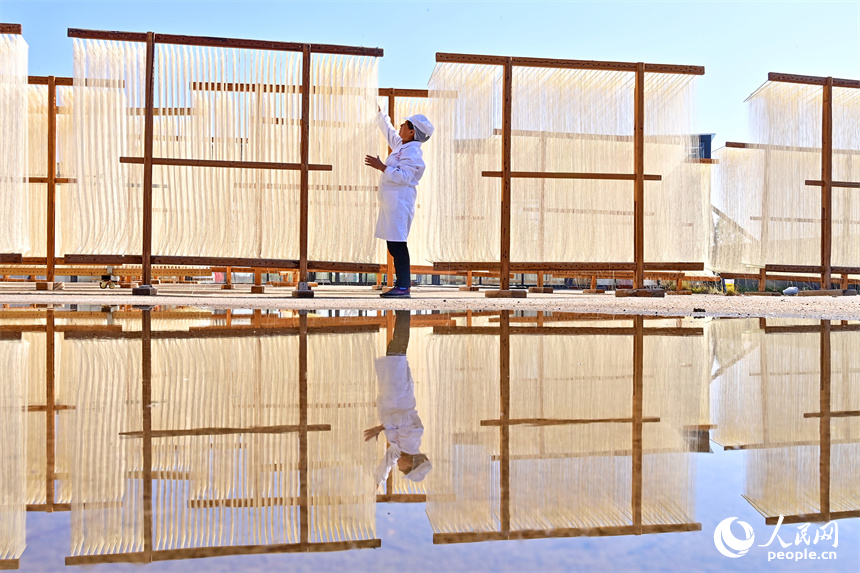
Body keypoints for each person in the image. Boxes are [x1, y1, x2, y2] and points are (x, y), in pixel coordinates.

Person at [364, 107, 434, 299]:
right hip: (391, 205)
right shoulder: (403, 146)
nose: (401, 126)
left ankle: (403, 285)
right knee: (393, 245)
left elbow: (404, 176)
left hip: (399, 204)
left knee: (398, 245)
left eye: (405, 124)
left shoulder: (413, 154)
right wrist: (379, 112)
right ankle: (401, 284)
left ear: (412, 132)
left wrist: (382, 167)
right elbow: (389, 132)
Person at [364, 311, 432, 487]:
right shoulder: (412, 440)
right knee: (397, 350)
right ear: (411, 463)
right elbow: (403, 419)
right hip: (399, 391)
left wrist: (377, 481)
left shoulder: (400, 449)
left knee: (395, 350)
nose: (399, 468)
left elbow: (388, 462)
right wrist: (380, 428)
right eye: (403, 469)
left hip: (393, 392)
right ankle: (403, 310)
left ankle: (402, 311)